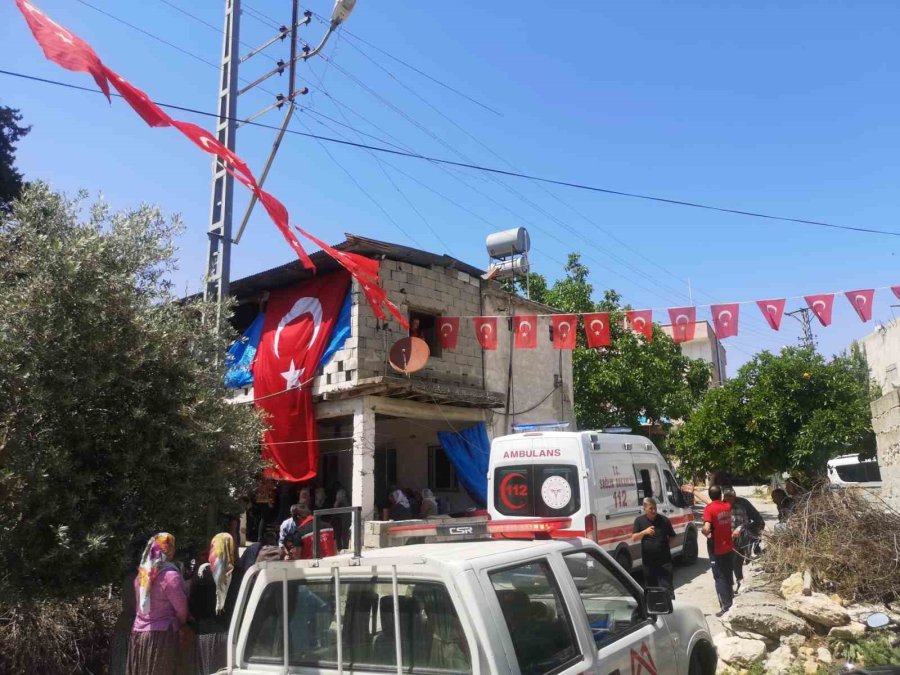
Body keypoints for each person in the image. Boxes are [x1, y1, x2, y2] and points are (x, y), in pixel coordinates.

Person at [128, 533, 189, 675]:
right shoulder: (170, 575)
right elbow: (181, 609)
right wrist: (181, 623)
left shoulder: (142, 574)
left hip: (138, 635)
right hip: (161, 637)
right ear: (170, 550)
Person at [189, 533, 243, 674]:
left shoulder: (202, 573)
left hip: (205, 634)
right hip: (231, 634)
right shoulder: (239, 574)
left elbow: (193, 605)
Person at [631, 497, 677, 597]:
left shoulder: (664, 520)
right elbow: (634, 538)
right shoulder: (639, 521)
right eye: (651, 509)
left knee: (667, 587)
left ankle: (671, 608)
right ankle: (654, 610)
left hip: (664, 561)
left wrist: (663, 547)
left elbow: (672, 536)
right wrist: (644, 532)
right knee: (651, 588)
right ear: (644, 509)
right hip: (649, 562)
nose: (654, 511)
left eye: (655, 508)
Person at [723, 487, 765, 593]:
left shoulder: (741, 505)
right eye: (726, 498)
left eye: (731, 498)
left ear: (734, 497)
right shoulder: (722, 506)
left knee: (736, 560)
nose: (728, 500)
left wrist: (739, 529)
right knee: (727, 563)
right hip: (725, 538)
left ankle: (739, 581)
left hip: (739, 537)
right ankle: (729, 585)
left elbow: (754, 521)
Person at [702, 486, 735, 617]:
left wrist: (704, 532)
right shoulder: (727, 506)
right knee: (728, 574)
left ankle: (725, 606)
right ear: (720, 494)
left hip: (716, 548)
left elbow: (706, 528)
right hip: (728, 546)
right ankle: (731, 601)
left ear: (710, 495)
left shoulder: (709, 509)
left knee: (719, 577)